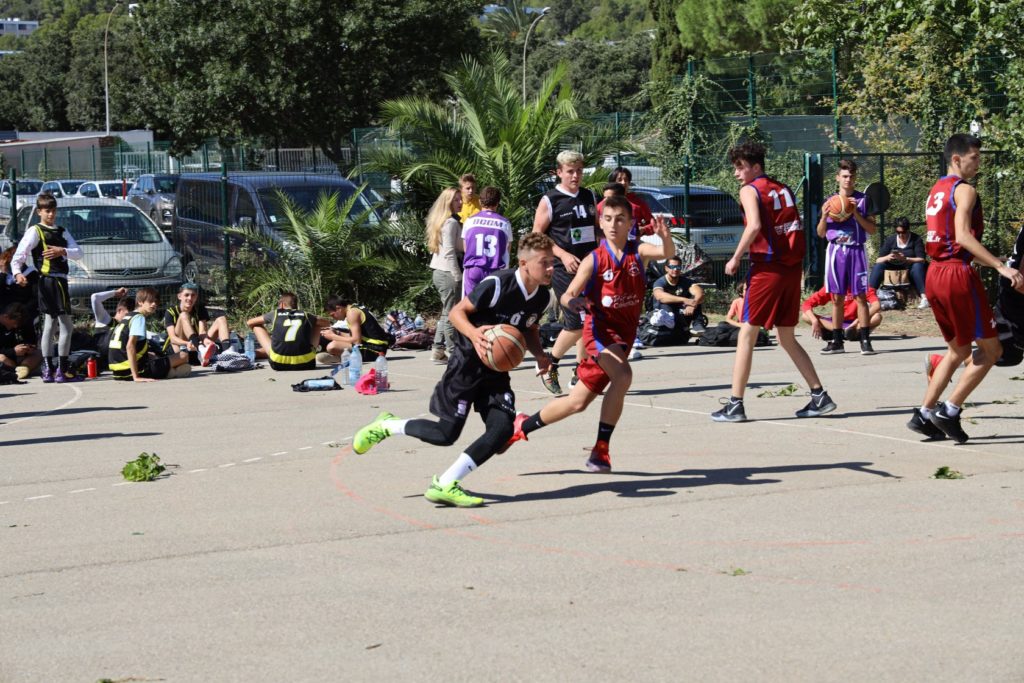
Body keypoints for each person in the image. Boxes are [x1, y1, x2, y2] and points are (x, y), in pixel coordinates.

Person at [350, 233, 557, 507]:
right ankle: (387, 425)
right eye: (545, 262)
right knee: (445, 434)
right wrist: (474, 334)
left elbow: (529, 328)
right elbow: (457, 313)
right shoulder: (497, 284)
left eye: (552, 262)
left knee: (502, 429)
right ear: (523, 263)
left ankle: (446, 483)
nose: (551, 268)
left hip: (495, 372)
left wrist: (541, 356)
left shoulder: (542, 296)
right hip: (466, 365)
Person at [505, 197, 674, 472]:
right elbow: (567, 294)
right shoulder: (594, 259)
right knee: (624, 376)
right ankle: (601, 450)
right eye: (607, 219)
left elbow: (666, 252)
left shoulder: (638, 251)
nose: (613, 224)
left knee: (577, 402)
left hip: (623, 336)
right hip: (599, 333)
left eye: (620, 219)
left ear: (630, 223)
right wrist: (574, 302)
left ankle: (522, 425)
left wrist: (665, 237)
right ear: (600, 223)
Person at [906, 133, 1024, 443]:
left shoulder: (937, 190)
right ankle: (950, 410)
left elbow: (951, 242)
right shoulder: (965, 190)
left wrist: (993, 261)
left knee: (957, 350)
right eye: (975, 157)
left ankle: (924, 414)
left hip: (935, 273)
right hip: (957, 276)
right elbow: (962, 237)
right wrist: (1000, 266)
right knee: (993, 349)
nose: (979, 163)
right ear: (957, 159)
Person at [711, 141, 836, 422]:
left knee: (747, 333)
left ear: (756, 167)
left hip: (768, 268)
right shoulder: (783, 188)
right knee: (785, 336)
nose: (736, 173)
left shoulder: (749, 190)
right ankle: (819, 395)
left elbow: (755, 225)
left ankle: (735, 404)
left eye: (741, 167)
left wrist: (735, 257)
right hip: (791, 269)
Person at [533, 150, 600, 394]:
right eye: (570, 171)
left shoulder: (589, 195)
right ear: (559, 172)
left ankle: (580, 371)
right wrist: (562, 254)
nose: (575, 176)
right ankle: (549, 364)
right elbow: (537, 235)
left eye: (579, 171)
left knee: (589, 320)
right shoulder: (550, 200)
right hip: (564, 268)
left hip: (589, 266)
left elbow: (596, 229)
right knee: (576, 321)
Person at [10, 193, 84, 383]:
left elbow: (78, 253)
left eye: (53, 211)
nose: (51, 214)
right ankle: (60, 369)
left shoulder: (62, 231)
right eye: (47, 211)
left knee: (50, 325)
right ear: (39, 212)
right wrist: (17, 273)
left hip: (58, 281)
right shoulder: (36, 231)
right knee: (65, 325)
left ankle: (50, 369)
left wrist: (63, 251)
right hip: (50, 281)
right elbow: (20, 254)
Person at [816, 159, 878, 355]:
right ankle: (837, 341)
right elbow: (820, 233)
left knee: (861, 296)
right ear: (837, 178)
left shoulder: (863, 200)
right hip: (836, 251)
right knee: (837, 298)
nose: (848, 180)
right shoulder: (830, 201)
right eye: (844, 176)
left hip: (856, 250)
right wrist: (823, 217)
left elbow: (872, 229)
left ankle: (865, 340)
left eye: (851, 176)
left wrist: (856, 214)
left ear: (855, 177)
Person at [108, 287, 190, 382]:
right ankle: (170, 372)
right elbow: (130, 346)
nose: (154, 304)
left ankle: (168, 371)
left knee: (153, 356)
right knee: (184, 356)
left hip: (118, 373)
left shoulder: (127, 317)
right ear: (140, 302)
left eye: (156, 302)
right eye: (150, 301)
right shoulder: (139, 318)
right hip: (134, 371)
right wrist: (136, 377)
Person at [426, 187, 463, 364]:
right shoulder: (451, 223)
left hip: (440, 271)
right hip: (448, 272)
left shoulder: (443, 221)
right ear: (447, 202)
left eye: (460, 199)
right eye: (456, 200)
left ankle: (437, 350)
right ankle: (454, 353)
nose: (460, 202)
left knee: (446, 312)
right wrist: (458, 276)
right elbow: (449, 252)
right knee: (451, 314)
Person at [246, 292, 323, 371]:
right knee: (317, 324)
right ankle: (313, 351)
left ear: (282, 305)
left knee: (256, 326)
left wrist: (270, 334)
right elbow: (326, 323)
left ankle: (263, 352)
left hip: (278, 363)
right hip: (307, 363)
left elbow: (249, 322)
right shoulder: (306, 314)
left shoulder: (275, 313)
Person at [163, 282, 232, 366]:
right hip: (180, 348)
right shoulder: (170, 312)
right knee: (184, 315)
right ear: (179, 296)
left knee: (221, 319)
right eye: (186, 295)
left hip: (196, 346)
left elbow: (202, 332)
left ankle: (227, 353)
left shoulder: (200, 309)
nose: (190, 298)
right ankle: (201, 349)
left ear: (196, 297)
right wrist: (187, 343)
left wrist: (205, 340)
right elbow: (173, 339)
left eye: (193, 295)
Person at [460, 186, 512, 298]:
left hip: (473, 269)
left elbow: (466, 248)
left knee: (468, 304)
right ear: (498, 203)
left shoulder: (469, 221)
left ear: (480, 201)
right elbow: (507, 250)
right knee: (492, 304)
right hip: (495, 270)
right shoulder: (504, 223)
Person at [869, 216, 929, 308]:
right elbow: (878, 260)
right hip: (893, 267)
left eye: (903, 232)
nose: (900, 235)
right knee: (878, 266)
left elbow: (921, 259)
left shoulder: (916, 239)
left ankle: (924, 297)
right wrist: (888, 257)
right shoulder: (891, 240)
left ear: (908, 230)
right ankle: (870, 297)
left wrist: (906, 259)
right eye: (898, 232)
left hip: (909, 268)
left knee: (918, 266)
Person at [316, 296, 393, 365]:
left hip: (375, 350)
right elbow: (357, 336)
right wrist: (337, 332)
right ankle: (342, 357)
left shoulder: (352, 313)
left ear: (339, 308)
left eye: (333, 315)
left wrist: (333, 336)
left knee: (332, 346)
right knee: (333, 347)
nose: (333, 318)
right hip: (377, 347)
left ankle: (342, 358)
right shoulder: (354, 308)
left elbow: (356, 341)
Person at [801, 286, 882, 342]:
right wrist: (814, 320)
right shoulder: (831, 286)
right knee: (805, 316)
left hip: (855, 323)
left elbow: (876, 305)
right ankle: (842, 333)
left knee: (877, 317)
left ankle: (843, 333)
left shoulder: (862, 285)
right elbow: (806, 304)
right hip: (835, 323)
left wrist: (858, 320)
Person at [994, 216, 1024, 367]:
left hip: (1014, 289)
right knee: (1004, 354)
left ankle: (945, 363)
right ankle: (944, 363)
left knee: (1007, 355)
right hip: (1015, 293)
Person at [652, 254, 705, 335]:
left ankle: (698, 325)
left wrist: (692, 304)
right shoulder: (660, 282)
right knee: (665, 304)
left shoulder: (686, 281)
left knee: (696, 299)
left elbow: (700, 293)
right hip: (665, 314)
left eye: (678, 267)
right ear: (666, 268)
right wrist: (685, 300)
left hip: (682, 311)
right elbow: (660, 296)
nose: (675, 269)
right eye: (672, 267)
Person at [89, 287, 131, 370]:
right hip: (98, 361)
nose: (129, 317)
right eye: (127, 314)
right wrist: (115, 293)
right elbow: (95, 298)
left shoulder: (128, 327)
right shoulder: (104, 320)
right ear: (119, 310)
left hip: (117, 364)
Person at [0, 302, 41, 380]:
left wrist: (28, 347)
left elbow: (31, 339)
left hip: (18, 357)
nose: (16, 326)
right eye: (15, 323)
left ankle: (23, 369)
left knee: (38, 353)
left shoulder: (21, 324)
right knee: (2, 358)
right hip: (5, 357)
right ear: (6, 317)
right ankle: (16, 371)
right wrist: (13, 351)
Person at [610, 166, 654, 232]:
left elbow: (653, 224)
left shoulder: (638, 203)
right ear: (613, 182)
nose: (623, 182)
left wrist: (643, 229)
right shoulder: (606, 202)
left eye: (626, 180)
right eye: (619, 180)